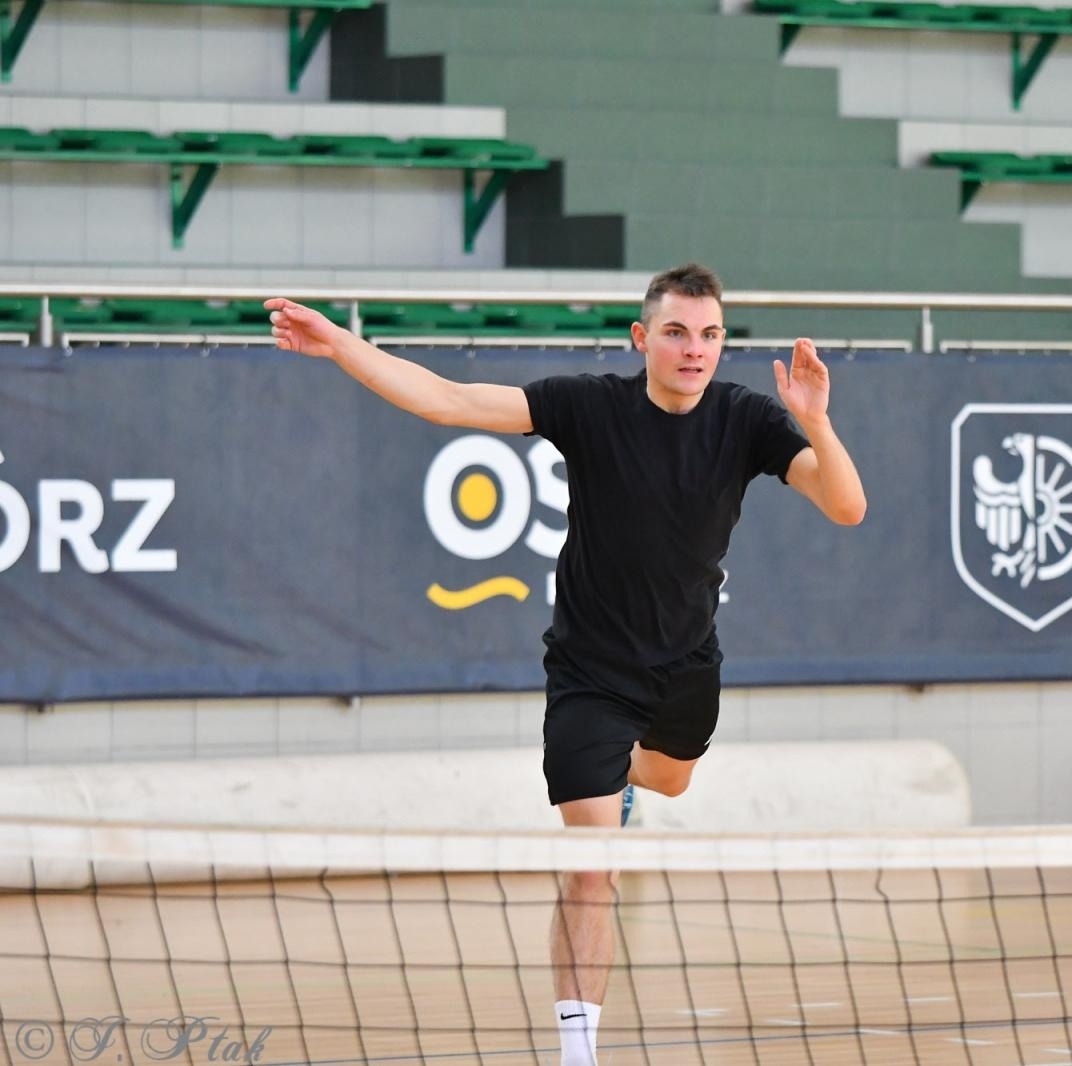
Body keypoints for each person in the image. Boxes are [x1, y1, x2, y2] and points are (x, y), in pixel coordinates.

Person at [265, 263, 867, 1066]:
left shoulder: (747, 418)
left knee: (670, 779)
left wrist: (817, 423)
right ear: (641, 338)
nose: (695, 349)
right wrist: (342, 344)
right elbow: (447, 399)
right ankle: (578, 1051)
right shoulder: (590, 407)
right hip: (589, 671)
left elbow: (847, 506)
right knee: (593, 866)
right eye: (678, 332)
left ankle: (628, 787)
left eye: (710, 334)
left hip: (686, 666)